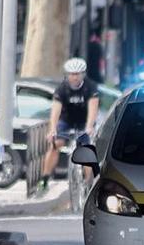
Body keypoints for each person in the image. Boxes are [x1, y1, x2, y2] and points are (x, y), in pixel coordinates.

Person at [41, 58, 100, 187]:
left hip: (84, 121)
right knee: (55, 144)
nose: (74, 77)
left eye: (77, 74)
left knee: (86, 149)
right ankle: (45, 179)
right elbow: (56, 111)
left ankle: (89, 183)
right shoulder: (62, 88)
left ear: (83, 74)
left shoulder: (90, 87)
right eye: (72, 74)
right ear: (67, 75)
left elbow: (93, 108)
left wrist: (89, 126)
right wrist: (52, 129)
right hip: (66, 120)